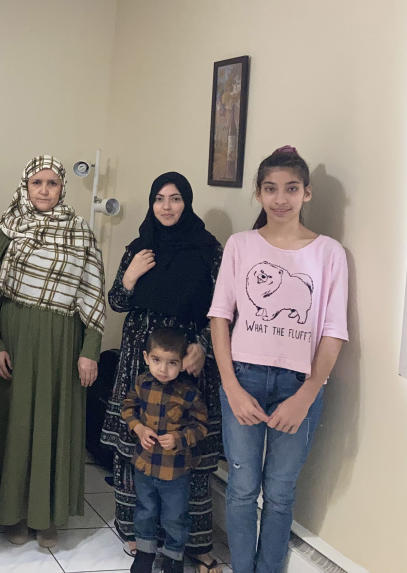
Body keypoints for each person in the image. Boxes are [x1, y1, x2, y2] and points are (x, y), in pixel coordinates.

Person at [208, 146, 348, 573]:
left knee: (281, 491)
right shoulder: (241, 245)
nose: (280, 198)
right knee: (242, 489)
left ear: (307, 193)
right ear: (258, 194)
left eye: (291, 189)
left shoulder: (328, 253)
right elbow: (220, 316)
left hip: (299, 384)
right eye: (271, 189)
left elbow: (333, 331)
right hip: (244, 377)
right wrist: (231, 386)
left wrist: (307, 394)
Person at [99, 171, 224, 571]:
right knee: (138, 444)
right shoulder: (140, 246)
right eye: (159, 199)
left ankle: (195, 543)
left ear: (187, 203)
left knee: (186, 446)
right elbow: (117, 300)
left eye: (175, 199)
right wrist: (132, 275)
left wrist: (202, 346)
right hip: (141, 356)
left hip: (188, 359)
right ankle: (139, 536)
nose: (166, 207)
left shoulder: (207, 249)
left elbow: (224, 306)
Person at [0, 155, 106, 548]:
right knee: (16, 424)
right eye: (37, 182)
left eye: (52, 183)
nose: (44, 190)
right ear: (25, 185)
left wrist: (89, 350)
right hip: (15, 339)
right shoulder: (6, 229)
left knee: (54, 423)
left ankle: (47, 516)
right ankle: (13, 514)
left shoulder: (80, 232)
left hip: (62, 344)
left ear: (62, 188)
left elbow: (92, 294)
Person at [121, 327, 208, 573]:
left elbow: (202, 426)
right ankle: (145, 554)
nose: (163, 369)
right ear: (146, 357)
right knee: (145, 511)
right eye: (157, 360)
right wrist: (137, 428)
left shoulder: (189, 393)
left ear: (182, 364)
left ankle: (173, 556)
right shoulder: (141, 384)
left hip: (175, 470)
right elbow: (127, 407)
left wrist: (180, 438)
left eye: (172, 363)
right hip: (145, 465)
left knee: (175, 516)